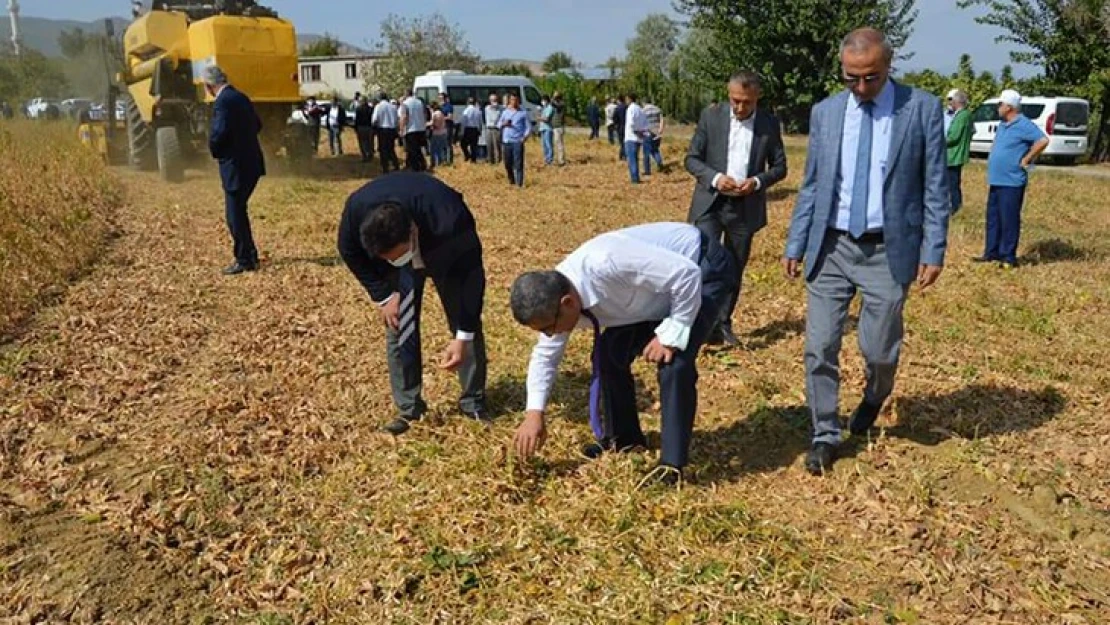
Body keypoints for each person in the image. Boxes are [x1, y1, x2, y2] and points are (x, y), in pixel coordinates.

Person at [782, 28, 950, 475]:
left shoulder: (922, 109)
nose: (860, 88)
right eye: (851, 78)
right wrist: (796, 240)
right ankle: (824, 434)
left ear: (888, 67)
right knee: (819, 346)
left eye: (870, 78)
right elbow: (813, 183)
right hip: (831, 245)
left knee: (878, 349)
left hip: (887, 249)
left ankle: (876, 394)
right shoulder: (827, 112)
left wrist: (933, 248)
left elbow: (935, 185)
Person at [510, 222, 737, 486]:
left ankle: (672, 466)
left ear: (568, 303)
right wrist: (534, 413)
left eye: (549, 328)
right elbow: (545, 356)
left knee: (673, 362)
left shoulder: (607, 263)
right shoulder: (555, 298)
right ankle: (624, 440)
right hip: (648, 294)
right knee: (608, 354)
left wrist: (671, 334)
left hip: (701, 269)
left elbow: (685, 274)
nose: (549, 335)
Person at [337, 173, 490, 435]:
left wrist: (463, 335)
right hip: (401, 252)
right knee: (398, 323)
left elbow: (471, 279)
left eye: (399, 255)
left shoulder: (450, 220)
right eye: (388, 258)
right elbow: (349, 252)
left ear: (412, 232)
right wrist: (385, 295)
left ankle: (472, 401)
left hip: (443, 248)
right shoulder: (357, 212)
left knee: (465, 324)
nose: (397, 261)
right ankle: (409, 408)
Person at [685, 70, 788, 347]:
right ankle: (698, 321)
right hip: (710, 202)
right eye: (735, 101)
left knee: (733, 267)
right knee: (704, 263)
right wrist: (717, 179)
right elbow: (692, 160)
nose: (740, 107)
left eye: (747, 102)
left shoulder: (768, 124)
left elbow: (780, 167)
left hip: (744, 208)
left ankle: (722, 324)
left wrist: (756, 182)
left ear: (758, 98)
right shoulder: (711, 117)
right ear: (727, 95)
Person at [975, 89, 1048, 269]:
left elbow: (1042, 140)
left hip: (1012, 180)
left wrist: (1027, 158)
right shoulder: (1002, 124)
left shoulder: (1023, 124)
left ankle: (1008, 256)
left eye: (1000, 104)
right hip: (997, 179)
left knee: (1009, 219)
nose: (998, 108)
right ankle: (991, 252)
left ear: (1009, 107)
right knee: (993, 218)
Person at [204, 65, 265, 276]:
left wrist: (216, 149)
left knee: (234, 215)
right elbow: (258, 124)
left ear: (209, 86)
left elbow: (218, 133)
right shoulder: (241, 97)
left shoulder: (222, 102)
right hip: (252, 163)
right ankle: (250, 255)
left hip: (235, 166)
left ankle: (244, 259)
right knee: (239, 211)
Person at [945, 89, 973, 214]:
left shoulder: (961, 116)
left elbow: (953, 136)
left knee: (952, 184)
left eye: (952, 101)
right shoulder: (966, 115)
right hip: (956, 154)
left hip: (953, 155)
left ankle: (955, 207)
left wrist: (937, 141)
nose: (950, 104)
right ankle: (956, 206)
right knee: (954, 183)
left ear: (957, 102)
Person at [499, 93, 531, 187]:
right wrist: (504, 124)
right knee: (507, 163)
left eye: (516, 100)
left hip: (517, 141)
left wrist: (524, 137)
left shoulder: (523, 113)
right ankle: (511, 180)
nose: (514, 102)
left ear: (518, 101)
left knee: (518, 163)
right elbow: (498, 124)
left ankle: (519, 184)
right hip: (507, 141)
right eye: (512, 100)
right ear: (509, 101)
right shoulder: (505, 112)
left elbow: (528, 127)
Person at [623, 93, 650, 183]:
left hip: (631, 137)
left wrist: (635, 131)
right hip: (638, 138)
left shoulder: (630, 109)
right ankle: (636, 177)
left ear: (630, 99)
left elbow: (631, 123)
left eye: (626, 99)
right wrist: (643, 134)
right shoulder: (640, 109)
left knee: (632, 159)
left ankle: (634, 179)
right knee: (636, 158)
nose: (626, 101)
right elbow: (645, 124)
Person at [398, 89, 428, 172]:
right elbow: (424, 114)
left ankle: (416, 167)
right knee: (417, 148)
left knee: (412, 149)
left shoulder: (405, 104)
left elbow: (404, 117)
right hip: (420, 128)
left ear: (406, 94)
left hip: (411, 129)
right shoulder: (420, 102)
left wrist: (401, 129)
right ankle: (420, 164)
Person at [371, 92, 400, 173]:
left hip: (383, 130)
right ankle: (396, 165)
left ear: (379, 98)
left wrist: (374, 126)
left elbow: (374, 119)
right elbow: (396, 119)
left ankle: (385, 167)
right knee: (391, 148)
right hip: (392, 129)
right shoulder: (393, 107)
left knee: (383, 149)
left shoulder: (378, 106)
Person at [641, 99, 665, 171]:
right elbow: (662, 120)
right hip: (657, 131)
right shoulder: (658, 109)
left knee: (647, 151)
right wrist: (661, 129)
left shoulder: (643, 110)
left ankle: (647, 169)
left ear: (644, 103)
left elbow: (642, 122)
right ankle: (659, 162)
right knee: (655, 149)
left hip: (648, 132)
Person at [460, 97, 483, 163]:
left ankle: (467, 155)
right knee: (474, 146)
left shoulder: (466, 111)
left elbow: (463, 122)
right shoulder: (478, 111)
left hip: (468, 129)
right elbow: (480, 122)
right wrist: (480, 130)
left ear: (467, 102)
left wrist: (462, 131)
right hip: (475, 129)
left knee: (463, 144)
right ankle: (473, 160)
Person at [483, 93, 504, 165]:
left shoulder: (501, 108)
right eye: (492, 100)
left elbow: (500, 119)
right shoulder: (487, 108)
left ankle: (498, 161)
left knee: (497, 146)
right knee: (489, 146)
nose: (494, 102)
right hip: (489, 129)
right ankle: (491, 162)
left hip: (496, 129)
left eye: (495, 100)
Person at [429, 104, 451, 168]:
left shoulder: (435, 114)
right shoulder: (441, 113)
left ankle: (434, 164)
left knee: (433, 149)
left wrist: (427, 125)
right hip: (443, 133)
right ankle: (441, 162)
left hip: (436, 134)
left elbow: (435, 124)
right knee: (441, 149)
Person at [354, 95, 374, 163]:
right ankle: (370, 154)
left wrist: (356, 128)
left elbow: (356, 119)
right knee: (370, 142)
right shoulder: (371, 109)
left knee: (362, 142)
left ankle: (364, 156)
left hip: (361, 127)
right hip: (369, 127)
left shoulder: (358, 109)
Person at [550, 91, 567, 166]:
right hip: (556, 126)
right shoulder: (558, 104)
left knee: (559, 144)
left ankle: (561, 160)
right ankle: (560, 159)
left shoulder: (561, 104)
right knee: (557, 143)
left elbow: (554, 105)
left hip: (559, 126)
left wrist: (553, 98)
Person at [538, 95, 554, 166]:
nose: (543, 102)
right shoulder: (543, 108)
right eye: (542, 101)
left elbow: (546, 119)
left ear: (547, 100)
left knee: (548, 145)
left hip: (548, 128)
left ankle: (550, 160)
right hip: (542, 128)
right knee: (544, 145)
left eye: (544, 100)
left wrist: (539, 118)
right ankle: (546, 159)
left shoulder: (550, 108)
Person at [613, 96, 627, 160]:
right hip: (627, 127)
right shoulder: (627, 107)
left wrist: (616, 125)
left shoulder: (617, 108)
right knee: (625, 142)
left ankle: (622, 155)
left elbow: (614, 118)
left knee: (621, 142)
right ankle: (623, 155)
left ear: (619, 100)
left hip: (620, 127)